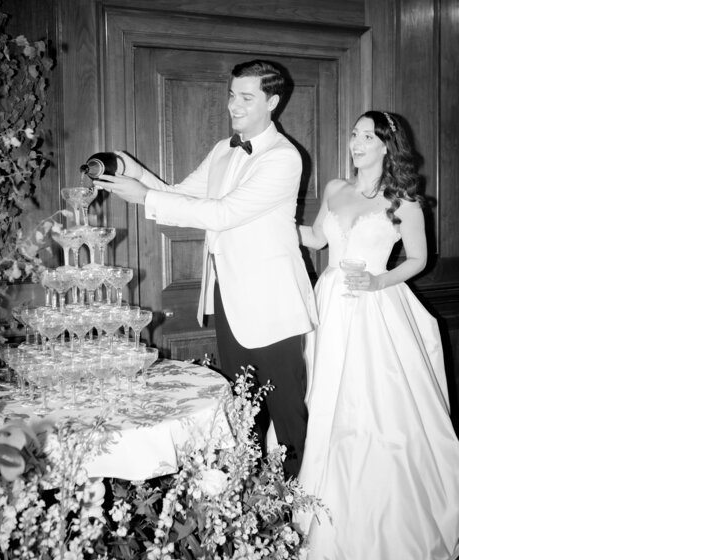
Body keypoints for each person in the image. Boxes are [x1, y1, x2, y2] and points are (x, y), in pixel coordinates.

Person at [95, 60, 318, 479]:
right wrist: (129, 170)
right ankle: (247, 505)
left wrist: (144, 196)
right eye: (232, 94)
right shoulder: (222, 149)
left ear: (273, 101)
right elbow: (178, 196)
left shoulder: (284, 158)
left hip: (273, 305)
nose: (234, 104)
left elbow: (224, 213)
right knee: (242, 413)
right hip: (227, 297)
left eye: (246, 97)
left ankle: (300, 515)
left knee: (290, 420)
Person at [296, 110, 459, 559]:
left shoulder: (402, 199)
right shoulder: (334, 188)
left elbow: (418, 260)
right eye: (354, 134)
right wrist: (269, 228)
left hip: (374, 307)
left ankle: (377, 518)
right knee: (323, 395)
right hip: (328, 303)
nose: (357, 142)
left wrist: (377, 282)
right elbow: (314, 238)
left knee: (372, 406)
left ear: (387, 145)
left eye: (368, 136)